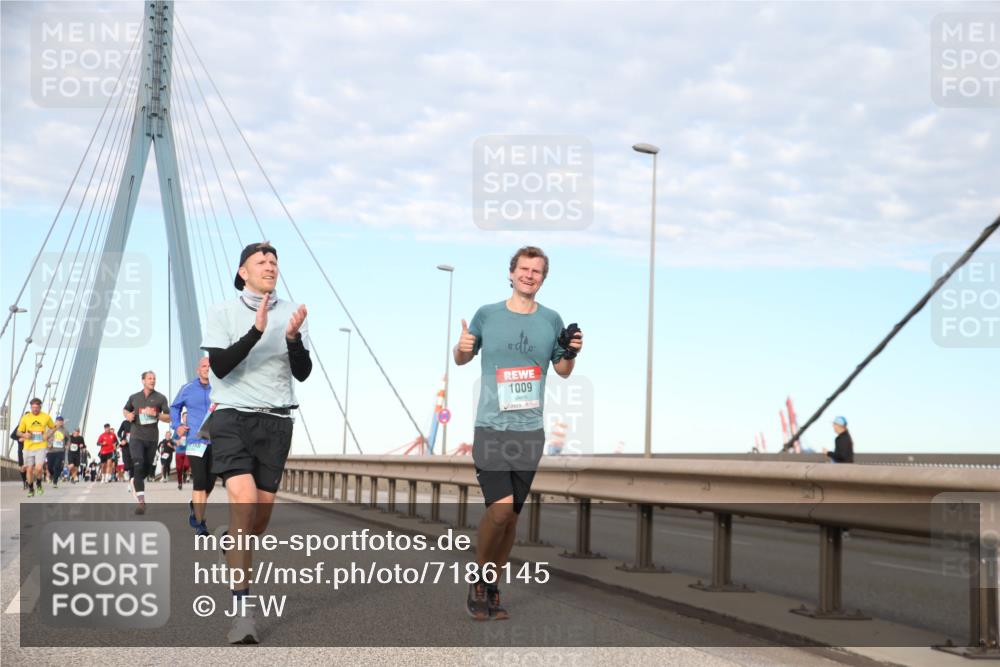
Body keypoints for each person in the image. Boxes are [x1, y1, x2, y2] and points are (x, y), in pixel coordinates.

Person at [454, 246, 583, 621]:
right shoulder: (487, 315)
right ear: (510, 274)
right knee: (500, 510)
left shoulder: (551, 319)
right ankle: (478, 579)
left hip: (529, 431)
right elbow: (462, 358)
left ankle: (493, 585)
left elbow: (562, 370)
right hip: (492, 427)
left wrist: (573, 351)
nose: (529, 275)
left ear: (543, 278)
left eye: (537, 271)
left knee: (511, 517)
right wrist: (461, 348)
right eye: (523, 269)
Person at [201, 241, 311, 644]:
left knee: (256, 521)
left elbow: (303, 374)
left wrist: (294, 339)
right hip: (232, 417)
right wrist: (256, 332)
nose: (270, 265)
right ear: (243, 272)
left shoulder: (291, 311)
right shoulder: (222, 312)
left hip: (277, 421)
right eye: (261, 261)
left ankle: (229, 542)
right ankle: (242, 615)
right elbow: (221, 367)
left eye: (274, 261)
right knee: (244, 504)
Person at [171, 356, 215, 536]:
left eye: (210, 366)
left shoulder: (222, 388)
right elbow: (174, 408)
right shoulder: (188, 389)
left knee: (210, 482)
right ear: (198, 370)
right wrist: (177, 425)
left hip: (216, 441)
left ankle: (194, 504)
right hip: (195, 441)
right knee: (200, 480)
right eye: (204, 366)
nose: (207, 369)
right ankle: (200, 523)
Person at [123, 371, 171, 514]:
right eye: (149, 378)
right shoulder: (134, 397)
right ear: (143, 381)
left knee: (145, 470)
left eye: (154, 378)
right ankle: (142, 503)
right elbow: (125, 410)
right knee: (137, 466)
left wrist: (156, 414)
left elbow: (168, 418)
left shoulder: (161, 398)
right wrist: (128, 415)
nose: (152, 380)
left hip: (151, 439)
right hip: (136, 437)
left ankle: (135, 481)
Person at [17, 398, 55, 497]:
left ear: (40, 407)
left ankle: (38, 483)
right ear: (31, 407)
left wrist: (48, 434)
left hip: (40, 446)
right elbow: (18, 432)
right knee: (29, 470)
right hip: (28, 447)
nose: (35, 410)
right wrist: (24, 435)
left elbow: (53, 427)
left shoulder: (46, 417)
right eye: (33, 408)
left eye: (37, 408)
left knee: (38, 468)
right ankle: (30, 488)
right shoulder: (25, 418)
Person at [46, 416, 70, 488]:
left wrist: (67, 445)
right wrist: (48, 445)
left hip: (60, 450)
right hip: (51, 451)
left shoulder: (65, 430)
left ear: (63, 422)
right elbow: (45, 438)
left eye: (61, 421)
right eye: (58, 421)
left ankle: (55, 481)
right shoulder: (50, 429)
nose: (60, 422)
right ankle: (53, 476)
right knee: (50, 466)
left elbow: (68, 439)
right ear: (55, 422)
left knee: (57, 465)